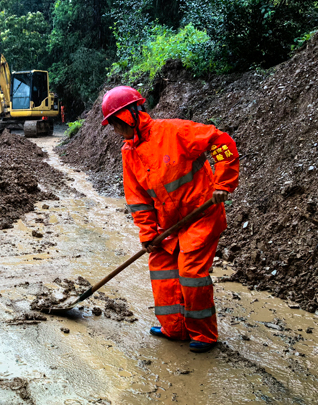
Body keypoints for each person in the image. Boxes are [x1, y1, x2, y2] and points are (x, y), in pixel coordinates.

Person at [102, 86, 239, 353]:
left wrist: (224, 181)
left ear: (131, 116)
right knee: (161, 267)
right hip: (168, 225)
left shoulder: (175, 132)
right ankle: (174, 328)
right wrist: (148, 233)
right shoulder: (129, 153)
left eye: (118, 124)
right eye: (113, 126)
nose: (117, 131)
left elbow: (221, 141)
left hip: (201, 215)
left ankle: (204, 334)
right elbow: (138, 199)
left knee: (190, 273)